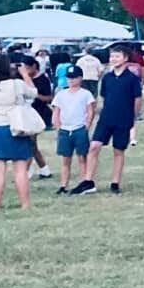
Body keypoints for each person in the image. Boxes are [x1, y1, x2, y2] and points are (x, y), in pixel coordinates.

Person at [79, 43, 142, 194]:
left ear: (125, 58)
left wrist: (132, 118)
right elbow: (105, 95)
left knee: (118, 151)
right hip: (106, 118)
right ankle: (88, 181)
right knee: (94, 147)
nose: (113, 59)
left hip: (123, 119)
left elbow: (137, 100)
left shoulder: (132, 79)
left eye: (117, 56)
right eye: (112, 56)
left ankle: (115, 183)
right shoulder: (107, 78)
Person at [0, 55, 38, 214]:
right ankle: (25, 204)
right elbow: (33, 93)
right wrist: (25, 75)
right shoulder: (16, 84)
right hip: (14, 127)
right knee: (20, 168)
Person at [51, 66, 95, 195]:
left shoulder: (85, 94)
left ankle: (83, 182)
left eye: (74, 77)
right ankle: (63, 185)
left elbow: (90, 111)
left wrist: (87, 125)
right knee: (65, 159)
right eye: (69, 78)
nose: (71, 80)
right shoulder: (61, 94)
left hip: (79, 128)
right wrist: (58, 126)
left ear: (80, 78)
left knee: (82, 158)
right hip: (65, 129)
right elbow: (56, 111)